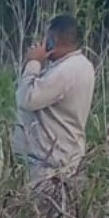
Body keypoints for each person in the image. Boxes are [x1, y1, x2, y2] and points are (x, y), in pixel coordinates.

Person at [11, 14, 95, 194]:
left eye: (46, 38)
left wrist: (34, 62)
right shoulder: (81, 65)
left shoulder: (65, 71)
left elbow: (26, 99)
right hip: (63, 160)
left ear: (53, 40)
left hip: (50, 167)